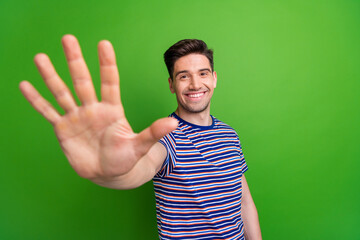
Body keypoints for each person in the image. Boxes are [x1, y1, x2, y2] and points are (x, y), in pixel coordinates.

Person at [19, 35, 262, 240]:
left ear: (214, 78)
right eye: (184, 76)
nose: (195, 84)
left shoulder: (229, 134)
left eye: (203, 73)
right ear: (171, 84)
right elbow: (138, 169)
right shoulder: (167, 139)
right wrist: (107, 172)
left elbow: (244, 200)